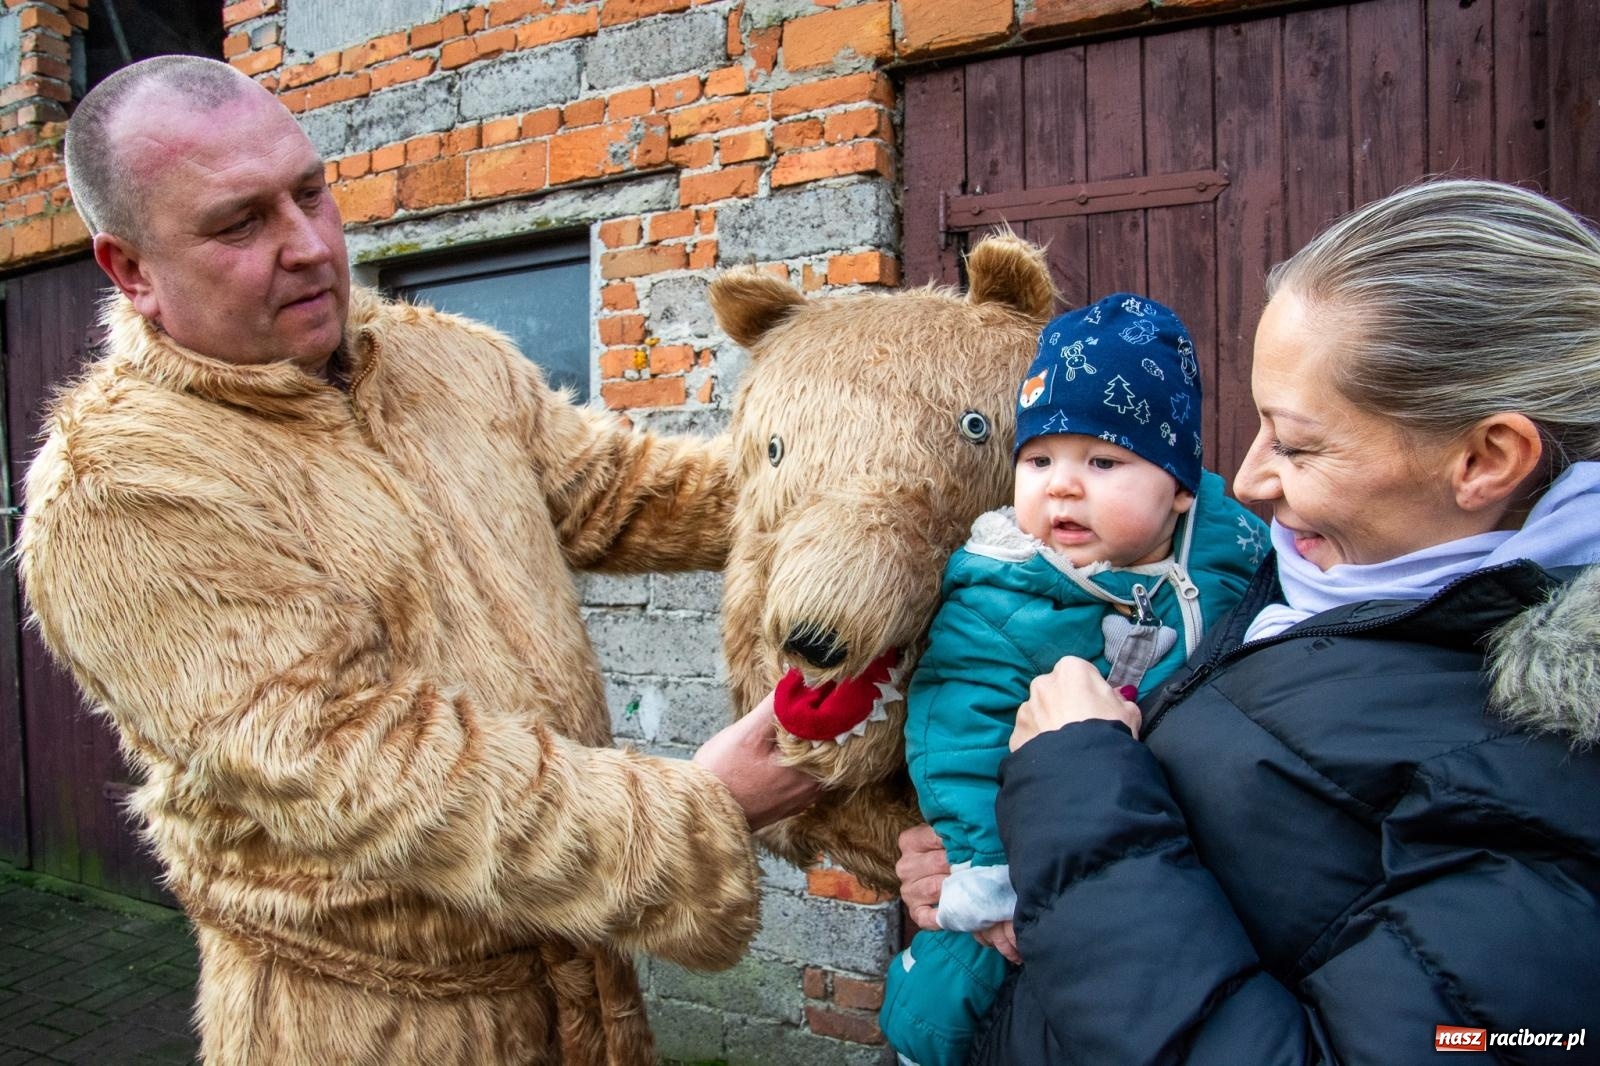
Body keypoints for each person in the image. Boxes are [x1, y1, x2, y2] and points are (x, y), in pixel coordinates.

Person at [20, 56, 814, 1066]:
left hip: (582, 991)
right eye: (240, 224)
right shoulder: (121, 491)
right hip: (373, 1024)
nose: (311, 246)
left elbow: (618, 492)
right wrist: (695, 812)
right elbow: (359, 764)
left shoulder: (443, 359)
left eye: (310, 192)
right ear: (131, 269)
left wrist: (856, 485)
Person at [897, 179, 1600, 1064]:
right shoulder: (1313, 578)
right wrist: (1009, 855)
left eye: (1297, 444)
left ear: (1486, 459)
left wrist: (1073, 791)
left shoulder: (1547, 776)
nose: (1254, 477)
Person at [879, 294, 1266, 1066]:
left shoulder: (1237, 555)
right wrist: (988, 873)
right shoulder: (1001, 593)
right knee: (956, 996)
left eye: (1103, 461)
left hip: (1171, 880)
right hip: (1022, 853)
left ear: (1180, 485)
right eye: (1039, 460)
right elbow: (956, 735)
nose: (1061, 485)